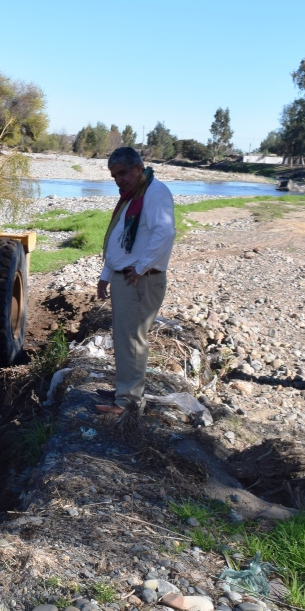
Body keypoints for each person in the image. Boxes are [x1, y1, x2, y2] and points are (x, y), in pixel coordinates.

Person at [94, 147, 176, 415]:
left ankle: (128, 401)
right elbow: (120, 239)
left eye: (123, 173)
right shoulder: (133, 195)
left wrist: (140, 268)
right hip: (127, 278)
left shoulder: (155, 192)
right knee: (124, 338)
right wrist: (106, 275)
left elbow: (165, 233)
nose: (118, 180)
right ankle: (125, 390)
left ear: (139, 168)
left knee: (132, 340)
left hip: (140, 280)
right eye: (114, 176)